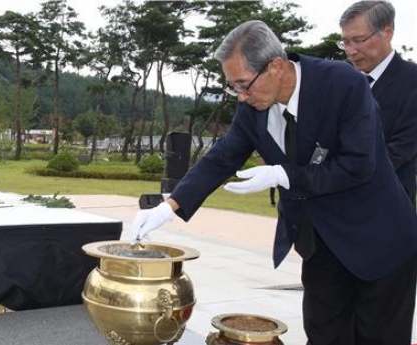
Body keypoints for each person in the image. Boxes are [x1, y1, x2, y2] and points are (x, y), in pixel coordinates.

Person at [129, 20, 417, 345]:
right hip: (321, 241)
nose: (240, 96)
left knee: (379, 338)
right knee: (325, 335)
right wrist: (169, 206)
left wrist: (285, 175)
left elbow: (359, 165)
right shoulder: (253, 107)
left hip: (378, 239)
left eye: (243, 84)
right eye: (233, 87)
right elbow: (223, 157)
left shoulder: (341, 83)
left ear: (276, 67)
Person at [338, 0, 417, 206]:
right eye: (345, 42)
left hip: (386, 211)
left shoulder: (412, 81)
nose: (351, 50)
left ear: (387, 32)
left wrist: (334, 178)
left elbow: (400, 150)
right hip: (334, 216)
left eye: (358, 40)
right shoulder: (341, 83)